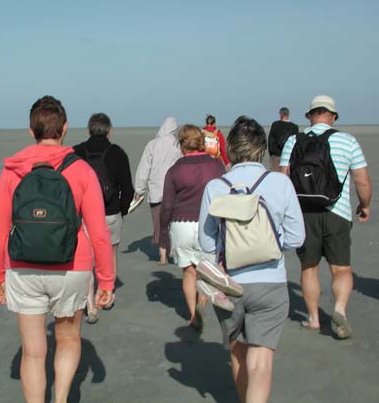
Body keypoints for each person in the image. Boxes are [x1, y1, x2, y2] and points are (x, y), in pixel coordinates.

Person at [0, 95, 114, 403]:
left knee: (32, 351)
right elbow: (99, 232)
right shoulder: (82, 170)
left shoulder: (12, 169)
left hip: (22, 265)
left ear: (31, 131)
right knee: (69, 338)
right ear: (65, 128)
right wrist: (106, 280)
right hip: (73, 265)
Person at [199, 116, 305, 403]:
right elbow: (297, 238)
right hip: (271, 283)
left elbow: (206, 242)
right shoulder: (280, 183)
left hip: (230, 285)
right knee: (261, 362)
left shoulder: (215, 187)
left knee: (238, 354)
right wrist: (268, 244)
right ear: (261, 149)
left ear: (231, 148)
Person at [280, 95, 372, 338]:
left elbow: (282, 179)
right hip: (337, 213)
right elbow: (362, 180)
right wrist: (365, 205)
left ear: (309, 116)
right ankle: (339, 309)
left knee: (308, 268)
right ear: (333, 116)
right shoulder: (347, 141)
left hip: (304, 214)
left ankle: (313, 319)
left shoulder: (293, 141)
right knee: (341, 269)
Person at [159, 124, 226, 332]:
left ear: (182, 145)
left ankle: (192, 314)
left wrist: (163, 234)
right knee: (206, 271)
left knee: (189, 272)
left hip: (181, 224)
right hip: (207, 223)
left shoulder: (175, 170)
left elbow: (167, 205)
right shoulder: (216, 166)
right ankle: (202, 303)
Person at [73, 112, 134, 322]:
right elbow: (128, 189)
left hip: (83, 215)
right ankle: (107, 295)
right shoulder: (117, 153)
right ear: (109, 131)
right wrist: (122, 210)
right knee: (110, 254)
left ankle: (90, 304)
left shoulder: (76, 152)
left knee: (87, 260)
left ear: (89, 130)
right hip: (110, 213)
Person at [134, 117, 182, 264]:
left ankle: (162, 256)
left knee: (159, 225)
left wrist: (139, 189)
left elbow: (144, 168)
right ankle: (174, 251)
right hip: (175, 191)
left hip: (156, 191)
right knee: (174, 224)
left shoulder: (152, 145)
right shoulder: (178, 145)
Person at [267, 107, 298, 171]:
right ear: (288, 115)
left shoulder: (275, 125)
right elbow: (296, 143)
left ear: (281, 114)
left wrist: (272, 154)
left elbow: (271, 141)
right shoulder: (294, 127)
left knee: (275, 176)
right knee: (287, 177)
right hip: (288, 156)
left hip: (276, 155)